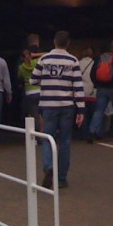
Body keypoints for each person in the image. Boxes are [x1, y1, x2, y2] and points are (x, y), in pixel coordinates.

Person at [30, 30, 85, 189]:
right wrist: (81, 110)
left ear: (54, 42)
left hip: (48, 105)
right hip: (67, 106)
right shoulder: (73, 60)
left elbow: (33, 79)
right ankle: (61, 178)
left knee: (48, 138)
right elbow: (78, 87)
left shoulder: (44, 59)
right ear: (68, 44)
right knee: (65, 142)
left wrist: (47, 83)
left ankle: (49, 167)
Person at [89, 40, 113, 142]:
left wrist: (97, 84)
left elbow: (92, 73)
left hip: (101, 89)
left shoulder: (100, 58)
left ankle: (93, 132)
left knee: (98, 111)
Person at [17, 45, 43, 130]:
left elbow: (19, 78)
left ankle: (35, 136)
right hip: (39, 91)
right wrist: (35, 55)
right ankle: (43, 134)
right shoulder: (36, 63)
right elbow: (47, 54)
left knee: (33, 115)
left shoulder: (21, 68)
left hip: (29, 93)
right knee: (41, 115)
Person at [78, 47, 96, 141]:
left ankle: (83, 134)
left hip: (82, 92)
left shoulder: (78, 63)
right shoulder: (94, 63)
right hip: (93, 92)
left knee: (83, 114)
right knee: (93, 113)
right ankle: (92, 132)